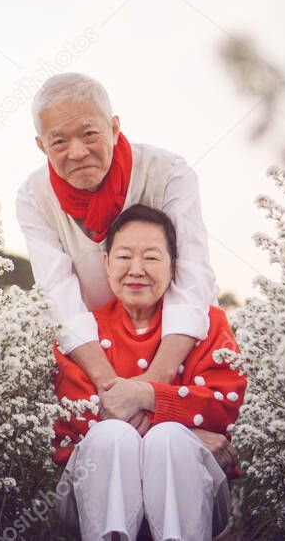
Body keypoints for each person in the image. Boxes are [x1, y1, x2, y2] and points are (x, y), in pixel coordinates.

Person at [16, 73, 221, 437]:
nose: (76, 152)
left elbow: (192, 279)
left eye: (90, 133)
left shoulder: (168, 173)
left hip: (178, 355)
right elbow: (58, 296)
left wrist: (149, 390)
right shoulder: (34, 197)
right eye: (58, 141)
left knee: (178, 457)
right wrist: (114, 391)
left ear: (114, 127)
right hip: (94, 368)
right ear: (40, 145)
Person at [52, 205, 246, 540]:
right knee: (114, 437)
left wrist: (146, 396)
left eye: (152, 258)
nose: (136, 270)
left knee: (169, 441)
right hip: (89, 497)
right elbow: (80, 422)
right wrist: (189, 430)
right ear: (106, 263)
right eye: (124, 256)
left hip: (197, 499)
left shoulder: (209, 323)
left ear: (174, 267)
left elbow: (224, 406)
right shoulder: (83, 334)